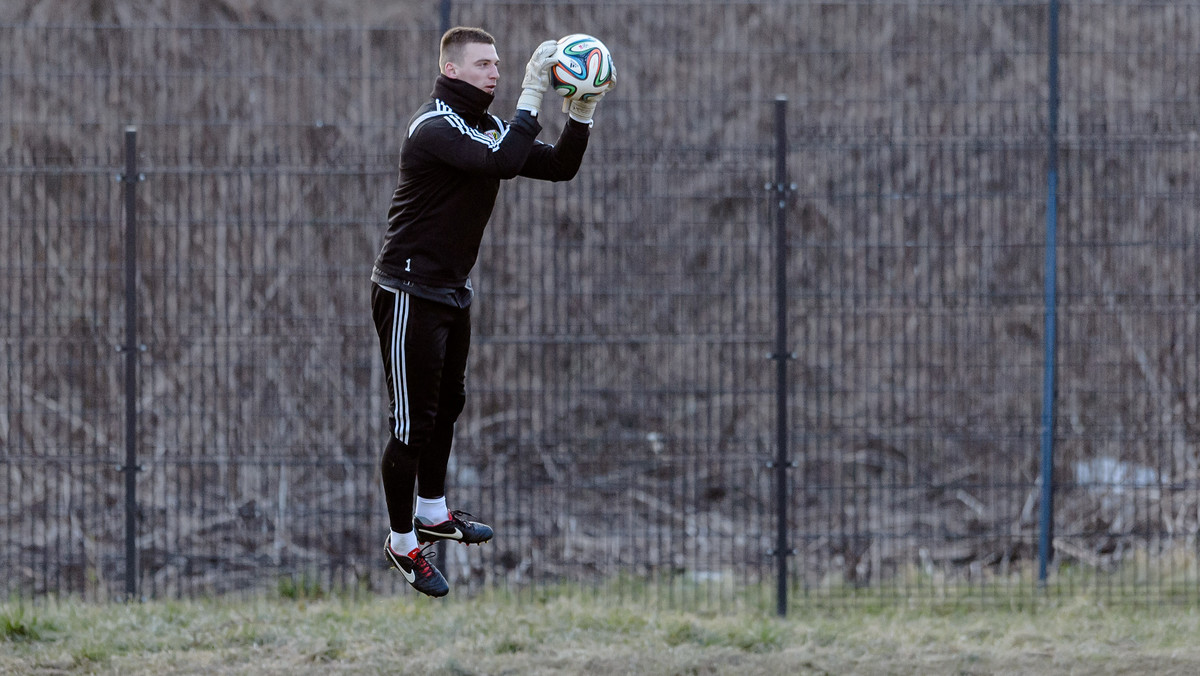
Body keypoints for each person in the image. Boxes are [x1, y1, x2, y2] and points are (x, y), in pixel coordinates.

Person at [371, 26, 614, 597]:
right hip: (408, 290)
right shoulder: (434, 128)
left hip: (451, 290)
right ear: (451, 70)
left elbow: (556, 166)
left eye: (500, 65)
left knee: (448, 404)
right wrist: (534, 93)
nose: (496, 72)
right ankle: (403, 543)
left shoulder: (485, 128)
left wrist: (582, 112)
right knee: (411, 425)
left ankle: (433, 511)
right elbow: (503, 162)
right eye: (484, 64)